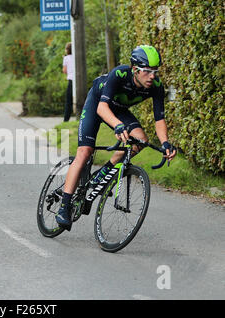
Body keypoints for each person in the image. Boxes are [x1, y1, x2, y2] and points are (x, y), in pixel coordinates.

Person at [56, 45, 177, 230]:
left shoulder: (156, 86)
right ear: (135, 70)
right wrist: (117, 125)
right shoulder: (120, 74)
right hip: (98, 104)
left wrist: (165, 143)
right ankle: (64, 206)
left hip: (119, 109)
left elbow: (159, 119)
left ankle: (104, 172)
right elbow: (102, 108)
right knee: (85, 151)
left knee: (140, 141)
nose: (152, 76)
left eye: (155, 71)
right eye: (147, 71)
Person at [62, 42, 73, 122]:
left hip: (70, 80)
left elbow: (64, 71)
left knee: (68, 101)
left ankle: (66, 119)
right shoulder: (77, 57)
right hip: (78, 80)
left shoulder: (66, 58)